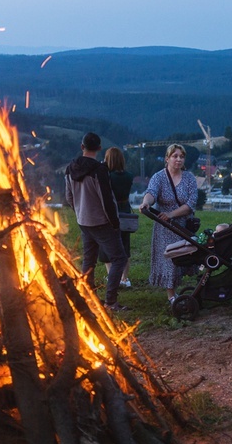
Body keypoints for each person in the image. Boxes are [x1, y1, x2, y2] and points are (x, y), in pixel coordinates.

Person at [65, 132, 129, 311]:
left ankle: (89, 296)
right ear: (99, 148)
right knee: (119, 258)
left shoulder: (70, 168)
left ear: (82, 146)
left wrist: (78, 210)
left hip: (83, 220)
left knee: (89, 259)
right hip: (101, 221)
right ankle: (110, 301)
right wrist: (114, 222)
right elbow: (106, 199)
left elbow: (68, 195)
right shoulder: (99, 170)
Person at [138, 144, 199, 304]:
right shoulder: (159, 177)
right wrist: (146, 203)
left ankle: (179, 291)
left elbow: (191, 203)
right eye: (175, 156)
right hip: (164, 227)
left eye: (181, 156)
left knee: (184, 258)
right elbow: (151, 193)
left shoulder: (189, 178)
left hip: (183, 225)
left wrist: (171, 214)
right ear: (167, 158)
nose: (178, 159)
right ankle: (171, 295)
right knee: (169, 260)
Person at [98, 147, 134, 288]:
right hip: (125, 211)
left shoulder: (107, 177)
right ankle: (125, 279)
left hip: (110, 212)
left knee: (107, 247)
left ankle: (112, 277)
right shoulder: (129, 176)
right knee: (125, 247)